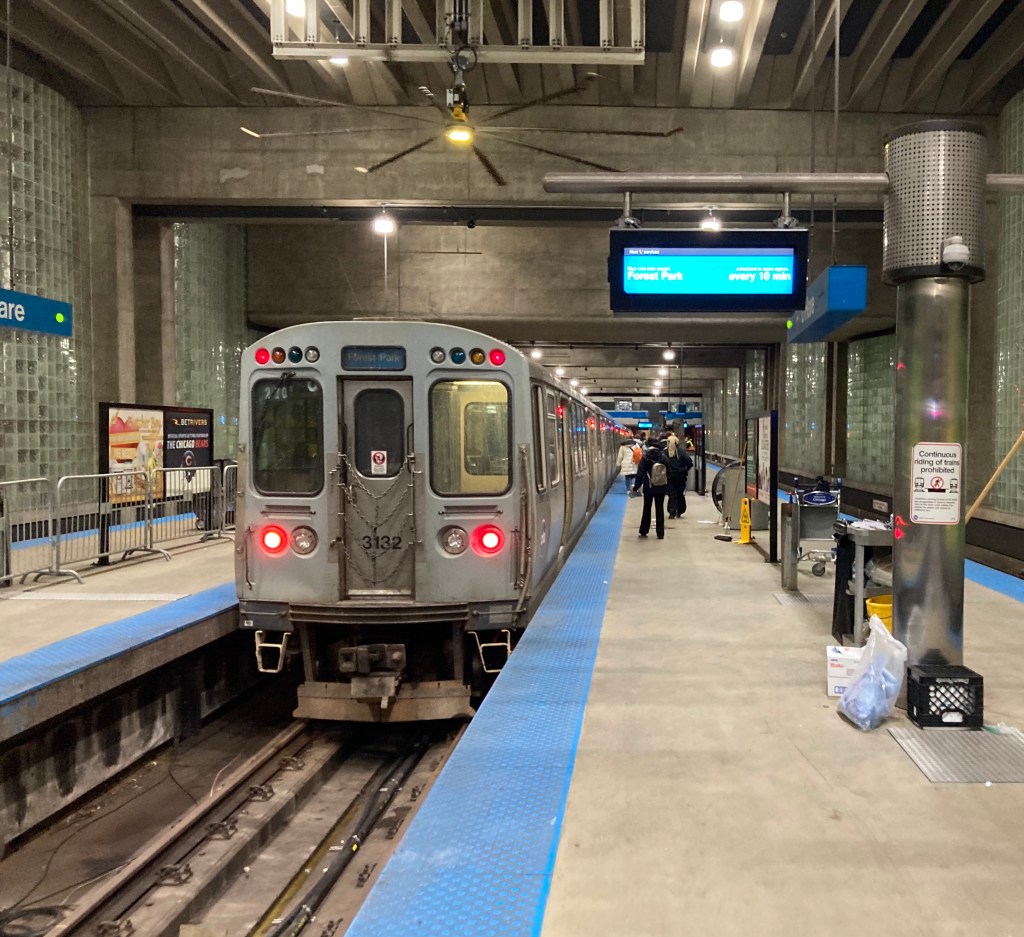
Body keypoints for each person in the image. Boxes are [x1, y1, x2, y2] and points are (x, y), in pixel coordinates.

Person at [633, 440, 669, 539]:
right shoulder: (663, 457)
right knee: (660, 508)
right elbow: (668, 471)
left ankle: (644, 530)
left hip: (648, 486)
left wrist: (636, 487)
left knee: (647, 508)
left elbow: (640, 473)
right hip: (661, 486)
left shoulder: (645, 457)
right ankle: (660, 533)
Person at [666, 442, 692, 518]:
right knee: (680, 493)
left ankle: (671, 512)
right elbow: (689, 463)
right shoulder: (682, 452)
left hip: (670, 476)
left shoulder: (665, 453)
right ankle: (680, 510)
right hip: (681, 476)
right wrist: (685, 469)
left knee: (671, 494)